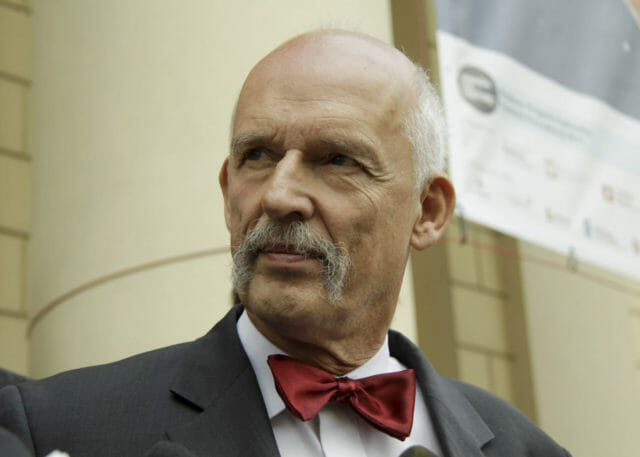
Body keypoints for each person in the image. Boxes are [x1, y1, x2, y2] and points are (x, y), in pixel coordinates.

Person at [0, 30, 571, 457]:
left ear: (428, 211)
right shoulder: (57, 427)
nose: (278, 196)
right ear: (228, 192)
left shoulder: (526, 449)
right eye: (257, 156)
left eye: (337, 160)